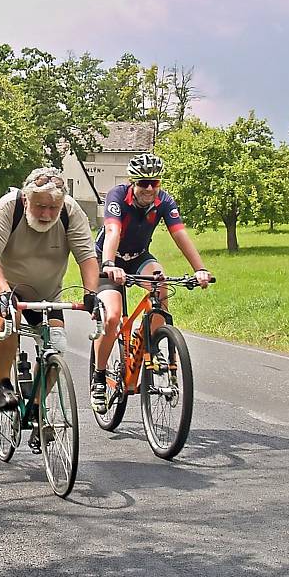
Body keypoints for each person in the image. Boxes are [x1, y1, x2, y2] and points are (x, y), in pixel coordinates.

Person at [91, 153, 212, 414]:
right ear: (133, 182)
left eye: (153, 182)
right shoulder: (117, 195)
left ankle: (151, 339)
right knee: (112, 317)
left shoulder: (164, 201)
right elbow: (113, 231)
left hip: (138, 257)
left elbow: (180, 235)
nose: (148, 188)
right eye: (143, 183)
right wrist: (110, 264)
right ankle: (99, 377)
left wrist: (200, 269)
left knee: (160, 284)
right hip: (107, 258)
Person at [0, 167, 99, 430]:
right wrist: (2, 293)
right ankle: (2, 385)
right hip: (3, 282)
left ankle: (34, 405)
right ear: (26, 199)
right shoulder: (8, 208)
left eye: (53, 208)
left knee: (57, 345)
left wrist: (91, 294)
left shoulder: (70, 211)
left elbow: (87, 257)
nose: (46, 214)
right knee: (9, 316)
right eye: (40, 206)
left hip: (46, 291)